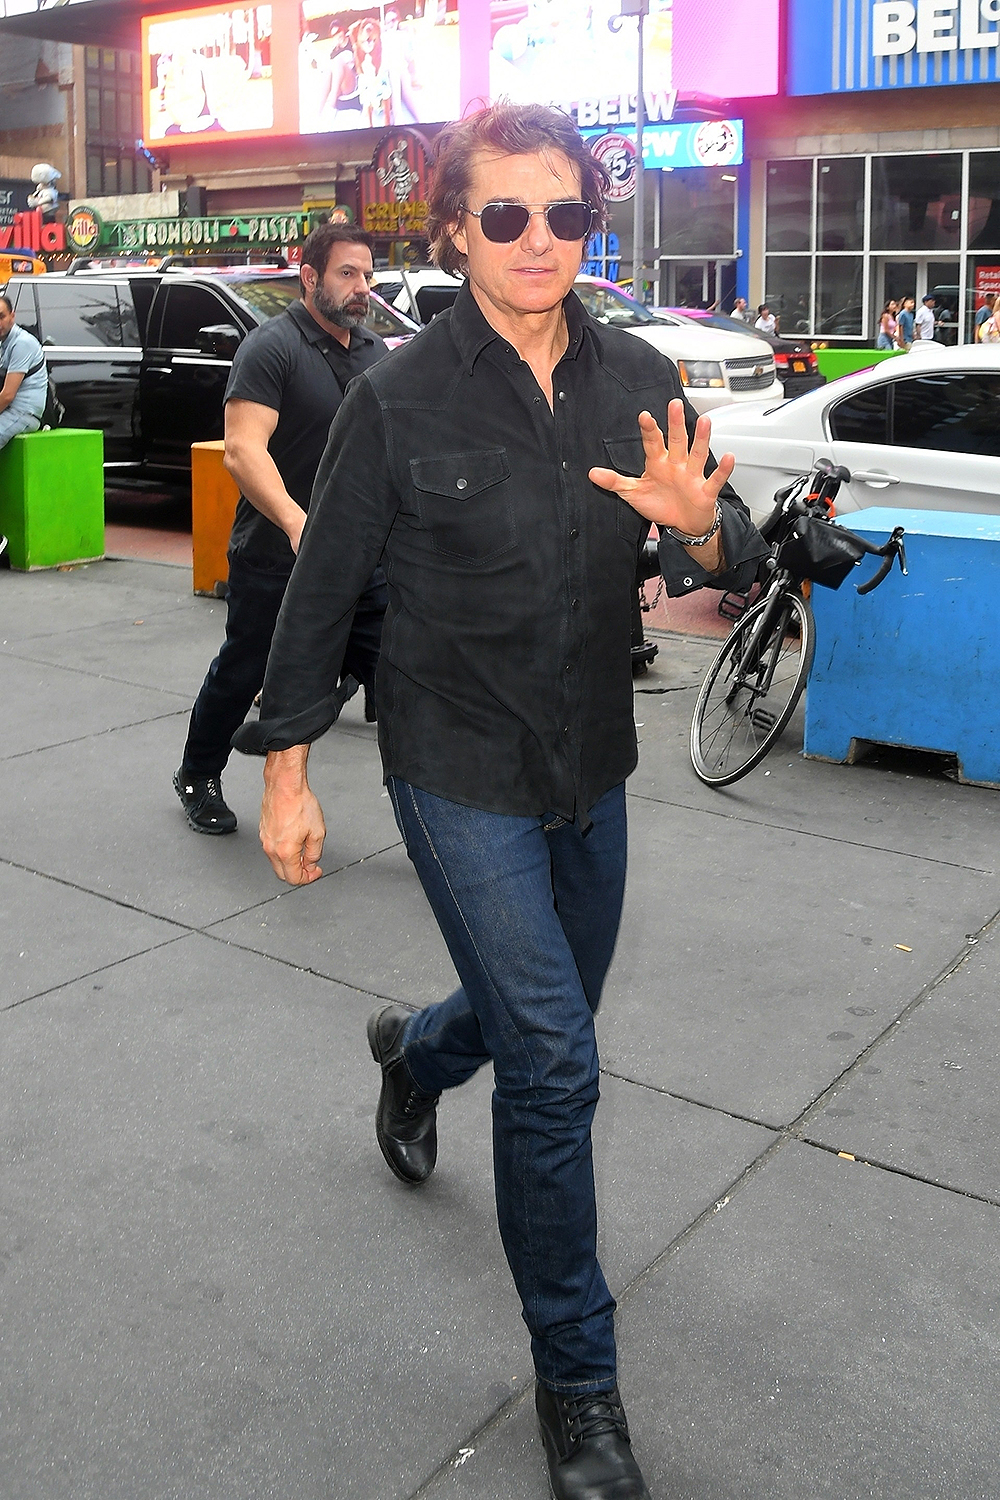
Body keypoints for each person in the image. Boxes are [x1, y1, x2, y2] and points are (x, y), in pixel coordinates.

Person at [235, 102, 766, 1500]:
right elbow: (327, 583)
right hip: (453, 762)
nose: (543, 242)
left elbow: (738, 545)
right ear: (459, 229)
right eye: (509, 216)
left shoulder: (639, 373)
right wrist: (286, 769)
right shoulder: (396, 399)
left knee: (536, 1022)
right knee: (555, 1062)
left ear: (595, 224)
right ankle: (577, 1384)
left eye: (568, 214)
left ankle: (413, 1054)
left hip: (590, 760)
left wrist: (695, 520)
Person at [173, 223, 388, 834]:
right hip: (276, 553)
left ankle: (440, 808)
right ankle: (197, 773)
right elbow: (244, 452)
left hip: (364, 561)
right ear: (311, 277)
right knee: (246, 668)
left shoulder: (374, 353)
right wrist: (299, 523)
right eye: (347, 274)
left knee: (404, 677)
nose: (361, 288)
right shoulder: (271, 348)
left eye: (367, 276)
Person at [0, 293, 47, 452]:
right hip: (9, 411)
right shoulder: (4, 343)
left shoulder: (21, 343)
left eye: (1, 317)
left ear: (12, 316)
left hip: (24, 413)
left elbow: (7, 395)